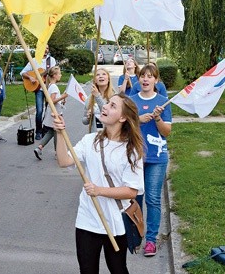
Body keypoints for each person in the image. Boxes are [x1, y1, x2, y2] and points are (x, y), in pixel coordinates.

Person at [54, 93, 145, 274]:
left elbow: (131, 191)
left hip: (115, 220)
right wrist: (60, 134)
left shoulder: (131, 150)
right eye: (107, 103)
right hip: (88, 218)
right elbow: (64, 161)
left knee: (118, 268)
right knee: (87, 270)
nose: (104, 107)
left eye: (112, 106)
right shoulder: (91, 141)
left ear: (122, 117)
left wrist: (99, 190)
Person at [129, 63, 172, 257]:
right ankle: (135, 236)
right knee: (134, 198)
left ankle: (151, 240)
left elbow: (167, 132)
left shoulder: (163, 102)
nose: (145, 79)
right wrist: (138, 120)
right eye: (142, 76)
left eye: (150, 76)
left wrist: (156, 119)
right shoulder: (130, 101)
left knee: (153, 199)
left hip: (156, 157)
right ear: (138, 79)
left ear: (156, 80)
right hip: (134, 157)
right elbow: (122, 128)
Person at [20, 46, 56, 140]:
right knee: (39, 111)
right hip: (39, 89)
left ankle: (45, 129)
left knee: (49, 110)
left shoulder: (51, 60)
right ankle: (38, 131)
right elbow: (23, 72)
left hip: (49, 89)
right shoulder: (34, 60)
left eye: (47, 48)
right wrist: (30, 77)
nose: (45, 50)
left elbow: (54, 73)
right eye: (43, 48)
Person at [33, 66, 67, 160]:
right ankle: (58, 152)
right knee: (57, 131)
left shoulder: (51, 86)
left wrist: (62, 100)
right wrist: (62, 96)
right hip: (54, 113)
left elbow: (53, 100)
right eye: (59, 73)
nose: (61, 75)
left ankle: (39, 147)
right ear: (55, 75)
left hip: (53, 112)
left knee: (52, 131)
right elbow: (51, 101)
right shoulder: (54, 87)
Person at [82, 68, 116, 132]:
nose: (100, 76)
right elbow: (84, 121)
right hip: (95, 135)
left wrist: (97, 96)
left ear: (108, 79)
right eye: (97, 75)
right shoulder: (90, 98)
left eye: (104, 74)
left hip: (110, 134)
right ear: (95, 80)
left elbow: (108, 114)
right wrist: (88, 117)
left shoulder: (114, 96)